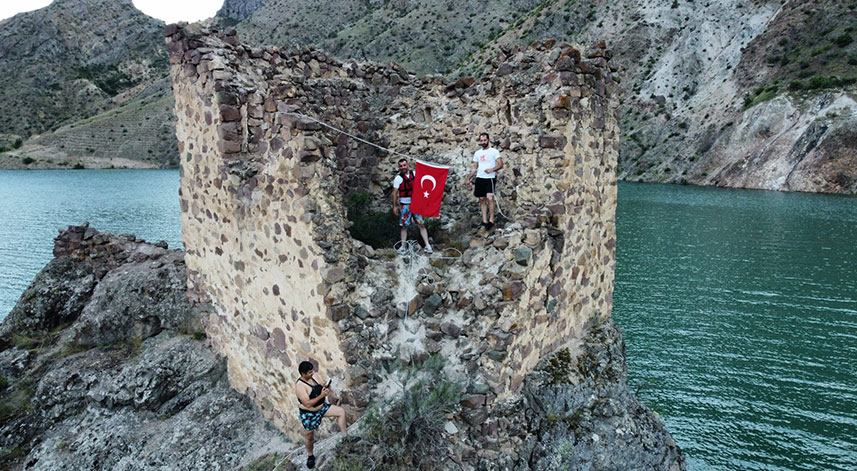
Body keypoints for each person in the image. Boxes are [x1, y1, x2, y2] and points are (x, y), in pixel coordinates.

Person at [295, 361, 347, 469]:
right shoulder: (300, 386)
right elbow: (308, 404)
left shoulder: (314, 377)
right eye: (309, 372)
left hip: (321, 408)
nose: (312, 373)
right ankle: (310, 456)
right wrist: (322, 395)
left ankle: (345, 437)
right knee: (309, 435)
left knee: (341, 412)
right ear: (303, 374)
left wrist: (323, 387)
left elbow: (318, 388)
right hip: (309, 413)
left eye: (312, 371)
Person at [392, 158, 433, 255]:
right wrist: (394, 206)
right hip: (405, 205)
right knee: (404, 226)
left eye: (404, 165)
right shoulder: (398, 178)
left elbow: (424, 183)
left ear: (408, 165)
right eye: (401, 166)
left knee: (421, 224)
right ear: (399, 167)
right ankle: (403, 247)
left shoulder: (415, 174)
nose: (403, 167)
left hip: (416, 203)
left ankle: (428, 246)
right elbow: (395, 193)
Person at [465, 132, 503, 230]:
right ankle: (484, 220)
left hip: (490, 178)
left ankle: (491, 220)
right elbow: (474, 168)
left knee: (490, 198)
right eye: (481, 140)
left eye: (485, 140)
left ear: (488, 140)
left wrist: (491, 170)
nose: (483, 142)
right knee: (481, 199)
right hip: (479, 178)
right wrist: (468, 178)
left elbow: (500, 164)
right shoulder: (478, 153)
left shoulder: (494, 151)